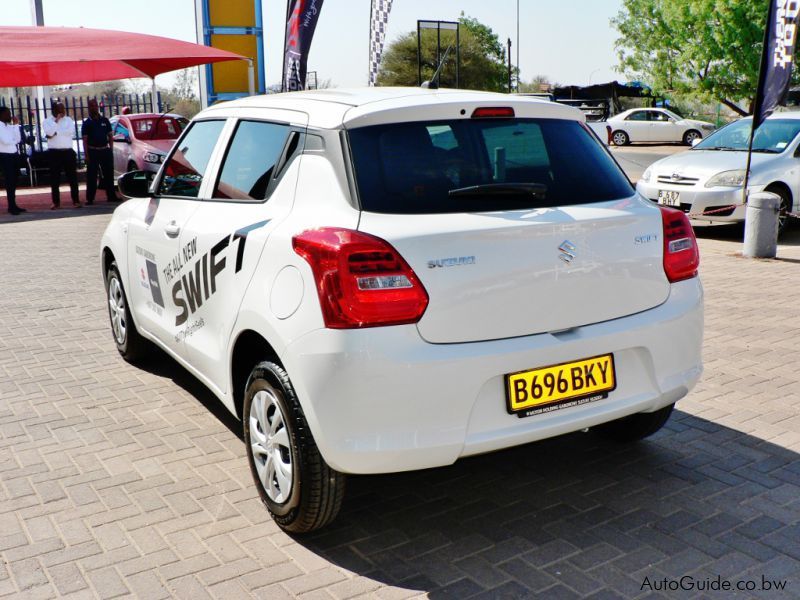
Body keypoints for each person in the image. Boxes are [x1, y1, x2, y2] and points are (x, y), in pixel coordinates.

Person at [81, 99, 121, 204]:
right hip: (92, 151)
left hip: (104, 150)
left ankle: (111, 196)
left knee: (109, 175)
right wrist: (86, 155)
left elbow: (110, 136)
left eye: (95, 105)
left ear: (97, 107)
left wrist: (110, 150)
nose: (94, 107)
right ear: (89, 108)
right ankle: (90, 199)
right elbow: (84, 140)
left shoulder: (105, 120)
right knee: (92, 176)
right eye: (91, 106)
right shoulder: (86, 123)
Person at [43, 102, 81, 209]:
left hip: (68, 152)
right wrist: (56, 122)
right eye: (60, 109)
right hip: (54, 153)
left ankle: (76, 200)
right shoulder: (47, 121)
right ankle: (56, 202)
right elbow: (49, 133)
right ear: (54, 110)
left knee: (72, 178)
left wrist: (55, 132)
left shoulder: (68, 120)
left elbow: (71, 132)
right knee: (55, 179)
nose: (63, 111)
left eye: (63, 108)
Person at [0, 107, 25, 215]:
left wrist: (15, 126)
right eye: (7, 113)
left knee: (15, 180)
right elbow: (6, 141)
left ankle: (14, 204)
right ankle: (11, 206)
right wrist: (13, 140)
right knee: (9, 181)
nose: (10, 115)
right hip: (5, 156)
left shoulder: (9, 126)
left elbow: (18, 139)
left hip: (14, 154)